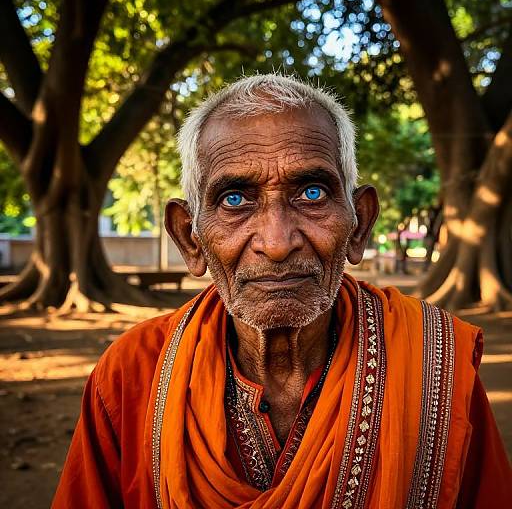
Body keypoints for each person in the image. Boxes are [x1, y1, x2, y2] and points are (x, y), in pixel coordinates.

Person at [52, 74, 511, 509]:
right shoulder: (132, 375)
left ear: (360, 225)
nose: (276, 243)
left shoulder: (435, 364)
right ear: (190, 238)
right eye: (235, 198)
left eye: (312, 193)